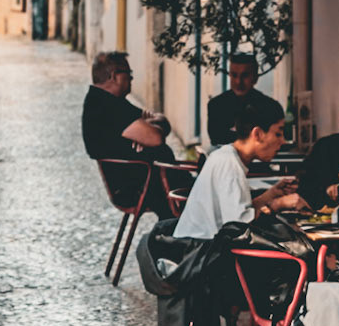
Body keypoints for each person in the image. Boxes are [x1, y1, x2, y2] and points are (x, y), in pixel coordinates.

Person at [173, 92, 305, 241]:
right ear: (258, 134)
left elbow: (241, 212)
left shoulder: (227, 156)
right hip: (201, 249)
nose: (282, 142)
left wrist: (272, 194)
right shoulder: (229, 164)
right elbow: (239, 226)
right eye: (278, 134)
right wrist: (278, 204)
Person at [81, 51, 168, 202]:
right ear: (114, 76)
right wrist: (147, 129)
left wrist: (147, 126)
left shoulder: (110, 101)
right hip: (139, 187)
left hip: (153, 181)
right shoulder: (106, 106)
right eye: (128, 73)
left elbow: (161, 121)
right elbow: (156, 138)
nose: (131, 78)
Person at [205, 50, 275, 149]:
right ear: (230, 76)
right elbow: (217, 138)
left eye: (244, 76)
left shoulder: (270, 107)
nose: (238, 82)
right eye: (234, 75)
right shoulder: (216, 106)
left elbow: (271, 140)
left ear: (255, 78)